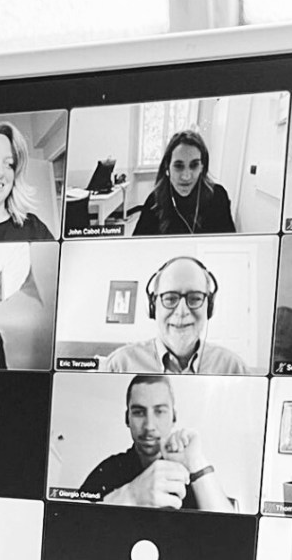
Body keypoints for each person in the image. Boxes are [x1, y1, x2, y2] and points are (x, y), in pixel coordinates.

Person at [79, 375, 233, 511]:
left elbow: (229, 531)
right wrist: (131, 496)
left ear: (174, 417)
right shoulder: (108, 471)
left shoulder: (190, 473)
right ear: (127, 419)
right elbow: (73, 524)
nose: (149, 426)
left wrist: (196, 462)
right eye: (139, 412)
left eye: (159, 411)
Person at [103, 256, 249, 375]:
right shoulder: (118, 366)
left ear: (209, 306)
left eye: (195, 298)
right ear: (152, 306)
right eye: (170, 298)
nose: (182, 311)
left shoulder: (233, 368)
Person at [133, 130, 236, 235]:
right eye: (179, 166)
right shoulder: (154, 202)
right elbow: (137, 244)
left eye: (194, 165)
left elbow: (230, 242)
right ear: (167, 167)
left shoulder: (217, 197)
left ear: (202, 167)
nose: (186, 176)